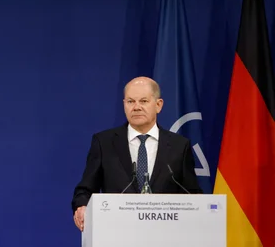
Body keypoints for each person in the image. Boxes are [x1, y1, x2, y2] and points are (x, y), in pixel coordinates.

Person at [71, 76, 203, 230]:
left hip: (165, 233)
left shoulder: (179, 146)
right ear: (124, 105)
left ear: (158, 105)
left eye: (144, 101)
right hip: (117, 231)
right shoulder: (104, 143)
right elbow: (85, 189)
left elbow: (192, 194)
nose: (136, 107)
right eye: (131, 101)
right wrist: (82, 206)